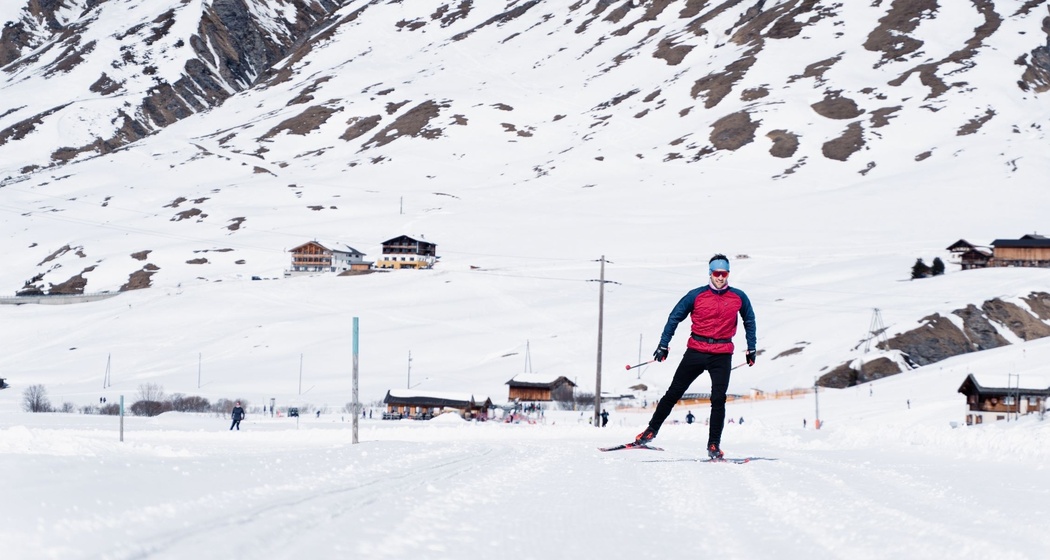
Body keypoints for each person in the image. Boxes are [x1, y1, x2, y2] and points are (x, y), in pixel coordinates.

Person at [634, 254, 757, 459]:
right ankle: (650, 431)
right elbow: (674, 318)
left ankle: (713, 445)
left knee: (718, 399)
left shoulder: (739, 297)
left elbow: (750, 321)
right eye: (717, 273)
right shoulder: (696, 296)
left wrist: (751, 348)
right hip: (696, 351)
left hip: (722, 353)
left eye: (724, 273)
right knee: (673, 393)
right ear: (710, 273)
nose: (720, 277)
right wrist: (663, 345)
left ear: (728, 274)